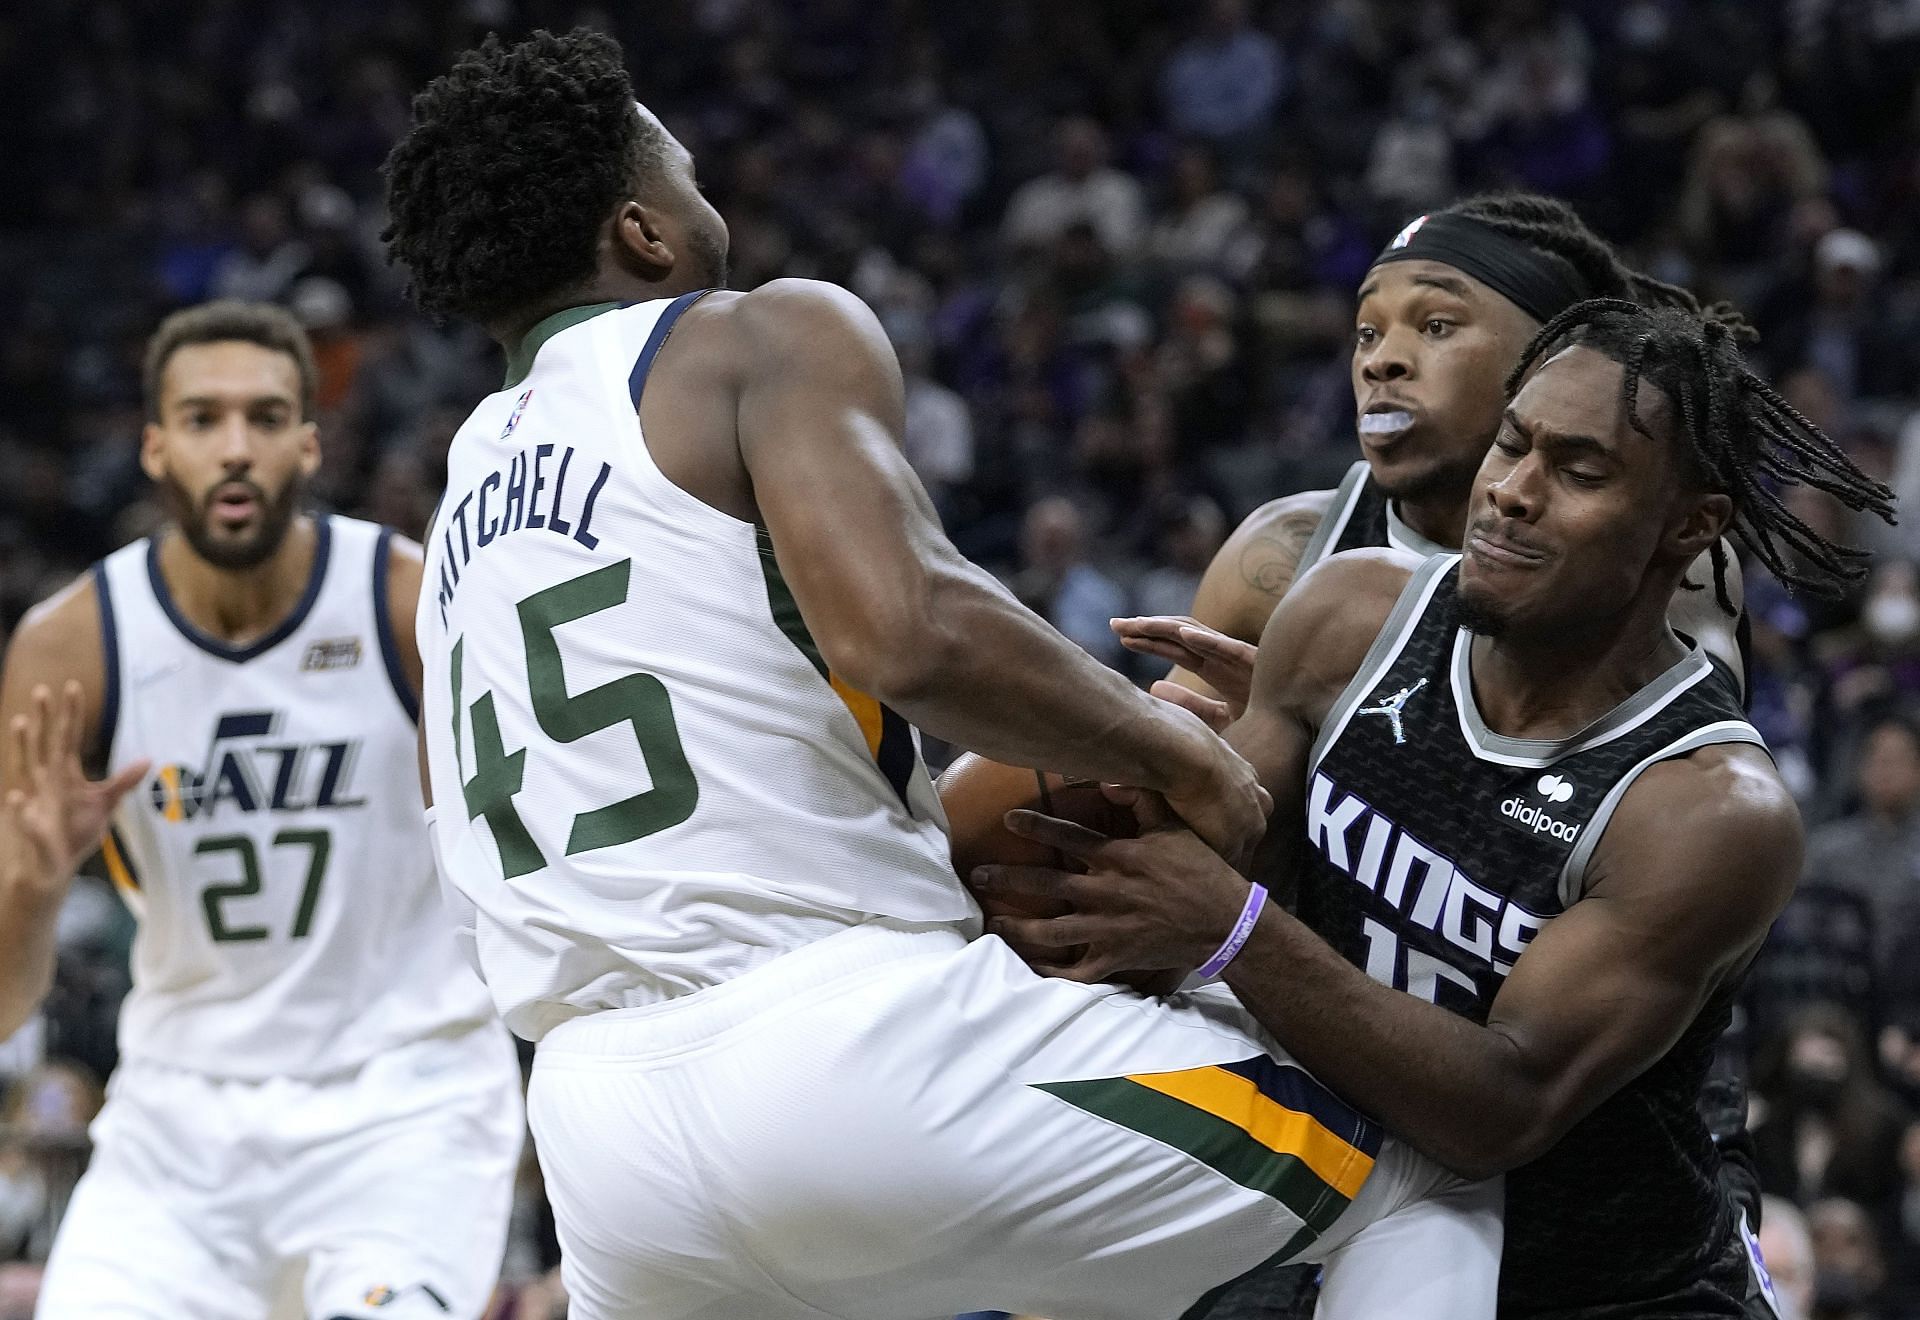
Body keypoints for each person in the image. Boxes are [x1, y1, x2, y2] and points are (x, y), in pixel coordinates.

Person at [385, 29, 1503, 1320]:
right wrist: (1171, 749)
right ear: (643, 232)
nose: (713, 207)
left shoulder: (459, 500)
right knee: (1426, 1175)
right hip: (843, 1048)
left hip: (603, 1152)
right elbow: (906, 628)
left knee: (1084, 1282)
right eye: (690, 178)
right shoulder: (753, 340)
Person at [974, 299, 1897, 1316]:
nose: (1511, 492)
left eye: (1579, 471)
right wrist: (1146, 764)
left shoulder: (1707, 809)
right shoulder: (1346, 616)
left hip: (1602, 1285)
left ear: (1693, 525)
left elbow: (1500, 1107)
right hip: (1344, 1207)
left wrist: (1231, 930)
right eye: (1512, 443)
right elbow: (1218, 871)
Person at [0, 300, 523, 1319]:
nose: (234, 448)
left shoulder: (406, 601)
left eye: (265, 416)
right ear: (154, 445)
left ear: (309, 439)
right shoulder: (73, 646)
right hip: (178, 1124)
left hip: (403, 1101)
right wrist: (33, 882)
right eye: (202, 419)